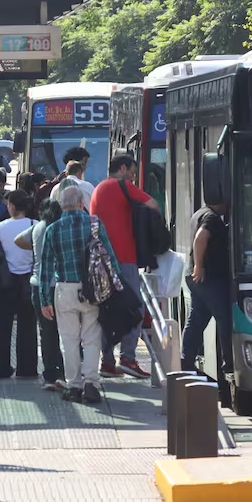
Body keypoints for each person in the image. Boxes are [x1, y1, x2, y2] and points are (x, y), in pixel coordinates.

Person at [39, 186, 119, 404]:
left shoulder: (52, 229)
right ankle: (91, 384)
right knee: (91, 338)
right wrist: (116, 286)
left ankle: (73, 386)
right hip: (92, 289)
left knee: (69, 340)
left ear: (61, 205)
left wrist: (44, 299)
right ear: (81, 202)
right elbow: (109, 257)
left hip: (65, 289)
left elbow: (45, 268)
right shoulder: (94, 224)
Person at [90, 155, 158, 380]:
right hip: (124, 256)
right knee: (135, 307)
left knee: (107, 310)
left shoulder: (98, 188)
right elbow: (152, 204)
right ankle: (128, 358)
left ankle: (107, 362)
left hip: (101, 261)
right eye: (131, 171)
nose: (133, 177)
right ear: (122, 168)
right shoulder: (122, 185)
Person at [16, 198, 65, 390]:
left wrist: (36, 250)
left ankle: (50, 375)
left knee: (47, 332)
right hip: (60, 285)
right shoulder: (60, 227)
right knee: (66, 331)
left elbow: (18, 240)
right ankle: (66, 372)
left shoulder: (37, 228)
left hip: (38, 286)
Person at [0, 190, 37, 379]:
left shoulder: (0, 227)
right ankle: (27, 368)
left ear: (12, 206)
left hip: (5, 283)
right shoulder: (36, 225)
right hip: (28, 281)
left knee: (2, 327)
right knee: (28, 326)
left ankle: (1, 368)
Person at [180, 202, 233, 375]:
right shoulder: (211, 217)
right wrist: (199, 266)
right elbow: (200, 238)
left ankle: (186, 361)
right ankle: (230, 364)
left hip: (196, 278)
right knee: (225, 317)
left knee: (197, 318)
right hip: (207, 277)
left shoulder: (199, 213)